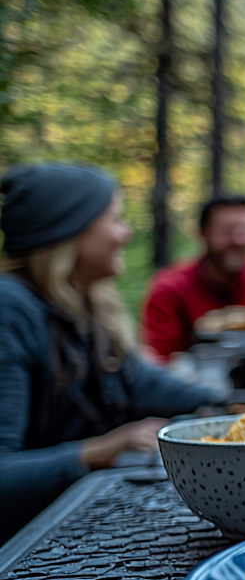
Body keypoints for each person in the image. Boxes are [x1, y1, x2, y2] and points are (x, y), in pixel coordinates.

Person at [0, 164, 218, 541]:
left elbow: (137, 381)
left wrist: (232, 405)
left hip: (63, 529)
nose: (125, 233)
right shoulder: (10, 309)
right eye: (115, 219)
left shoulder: (80, 305)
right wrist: (96, 451)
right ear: (69, 230)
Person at [141, 195, 245, 359]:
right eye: (227, 232)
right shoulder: (170, 288)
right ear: (202, 234)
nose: (239, 240)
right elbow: (160, 361)